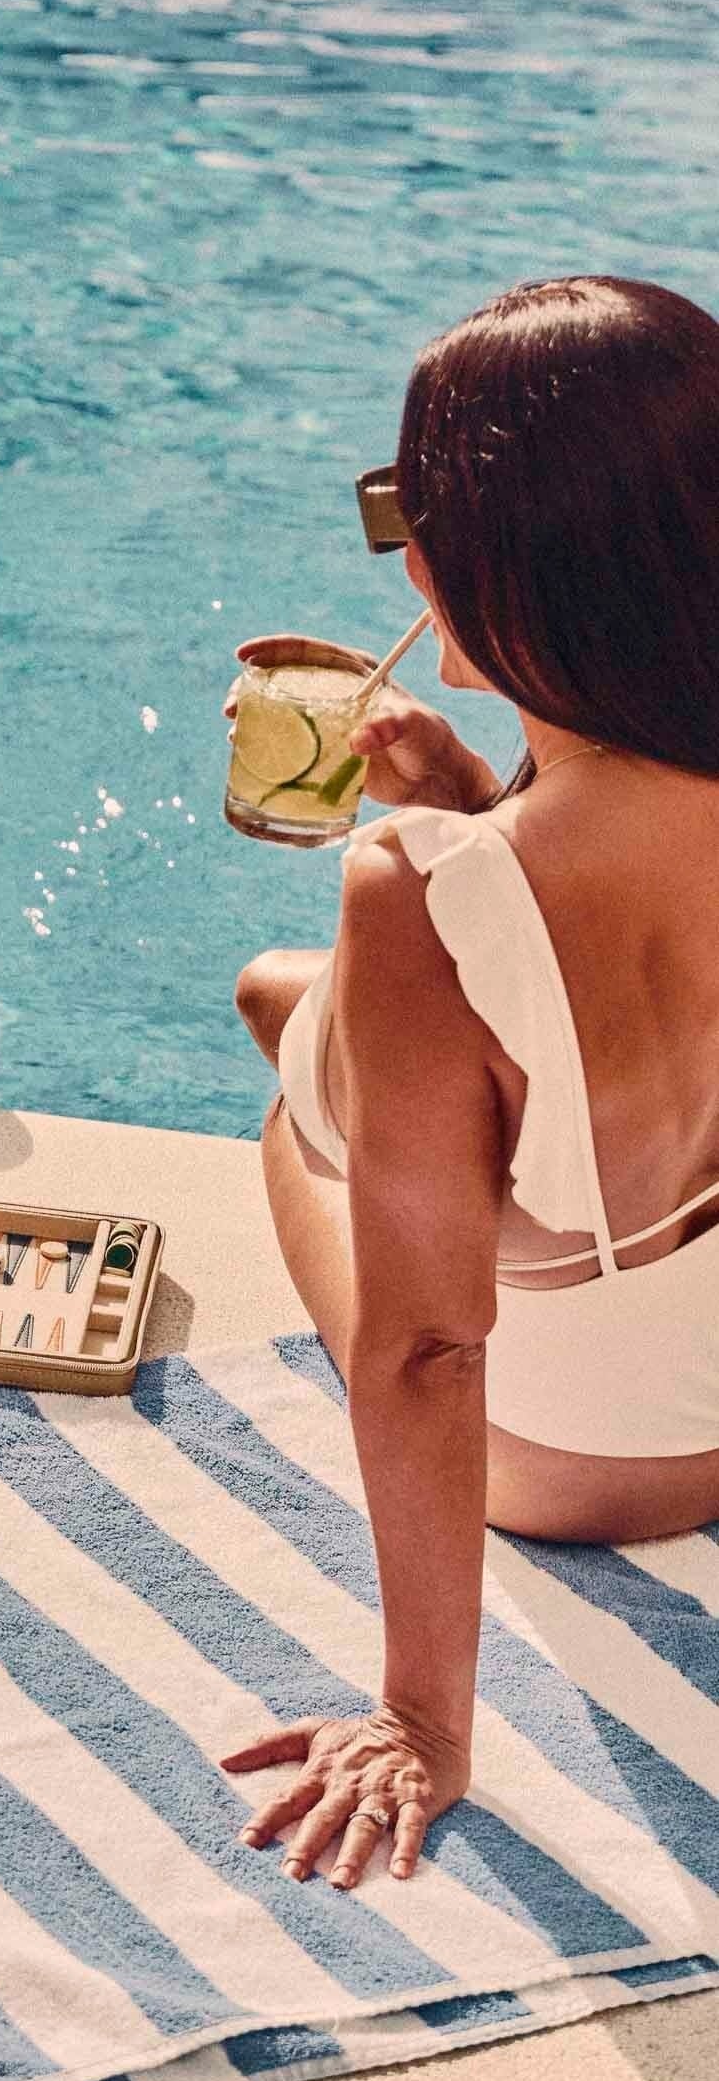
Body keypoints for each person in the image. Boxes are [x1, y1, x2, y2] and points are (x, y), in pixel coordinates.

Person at [219, 275, 719, 1889]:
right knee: (302, 1006)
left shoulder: (412, 895)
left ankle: (344, 1075)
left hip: (574, 1469)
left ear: (450, 581)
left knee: (290, 1104)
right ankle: (362, 1052)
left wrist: (425, 1718)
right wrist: (481, 801)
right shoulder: (454, 879)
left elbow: (429, 1346)